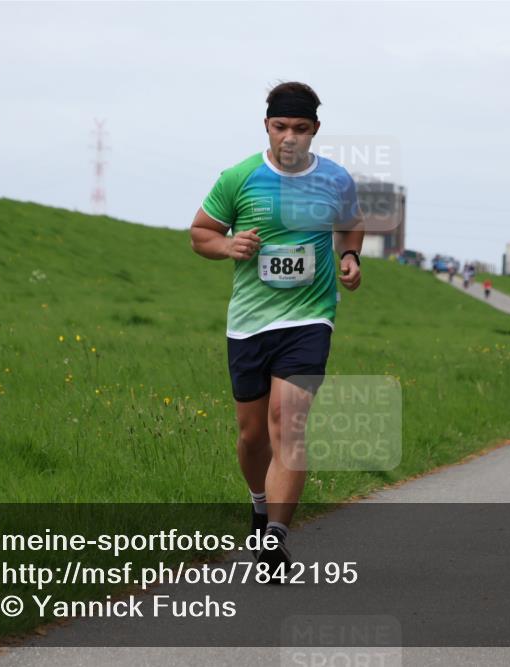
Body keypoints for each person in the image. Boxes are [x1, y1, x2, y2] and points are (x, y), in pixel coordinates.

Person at [189, 81, 363, 581]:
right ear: (266, 125)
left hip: (310, 317)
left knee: (288, 423)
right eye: (281, 126)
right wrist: (229, 247)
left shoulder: (334, 179)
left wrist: (349, 256)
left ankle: (274, 542)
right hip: (249, 322)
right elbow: (201, 234)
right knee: (251, 436)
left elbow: (352, 224)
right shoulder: (240, 178)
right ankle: (258, 504)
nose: (290, 137)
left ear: (316, 130)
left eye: (301, 128)